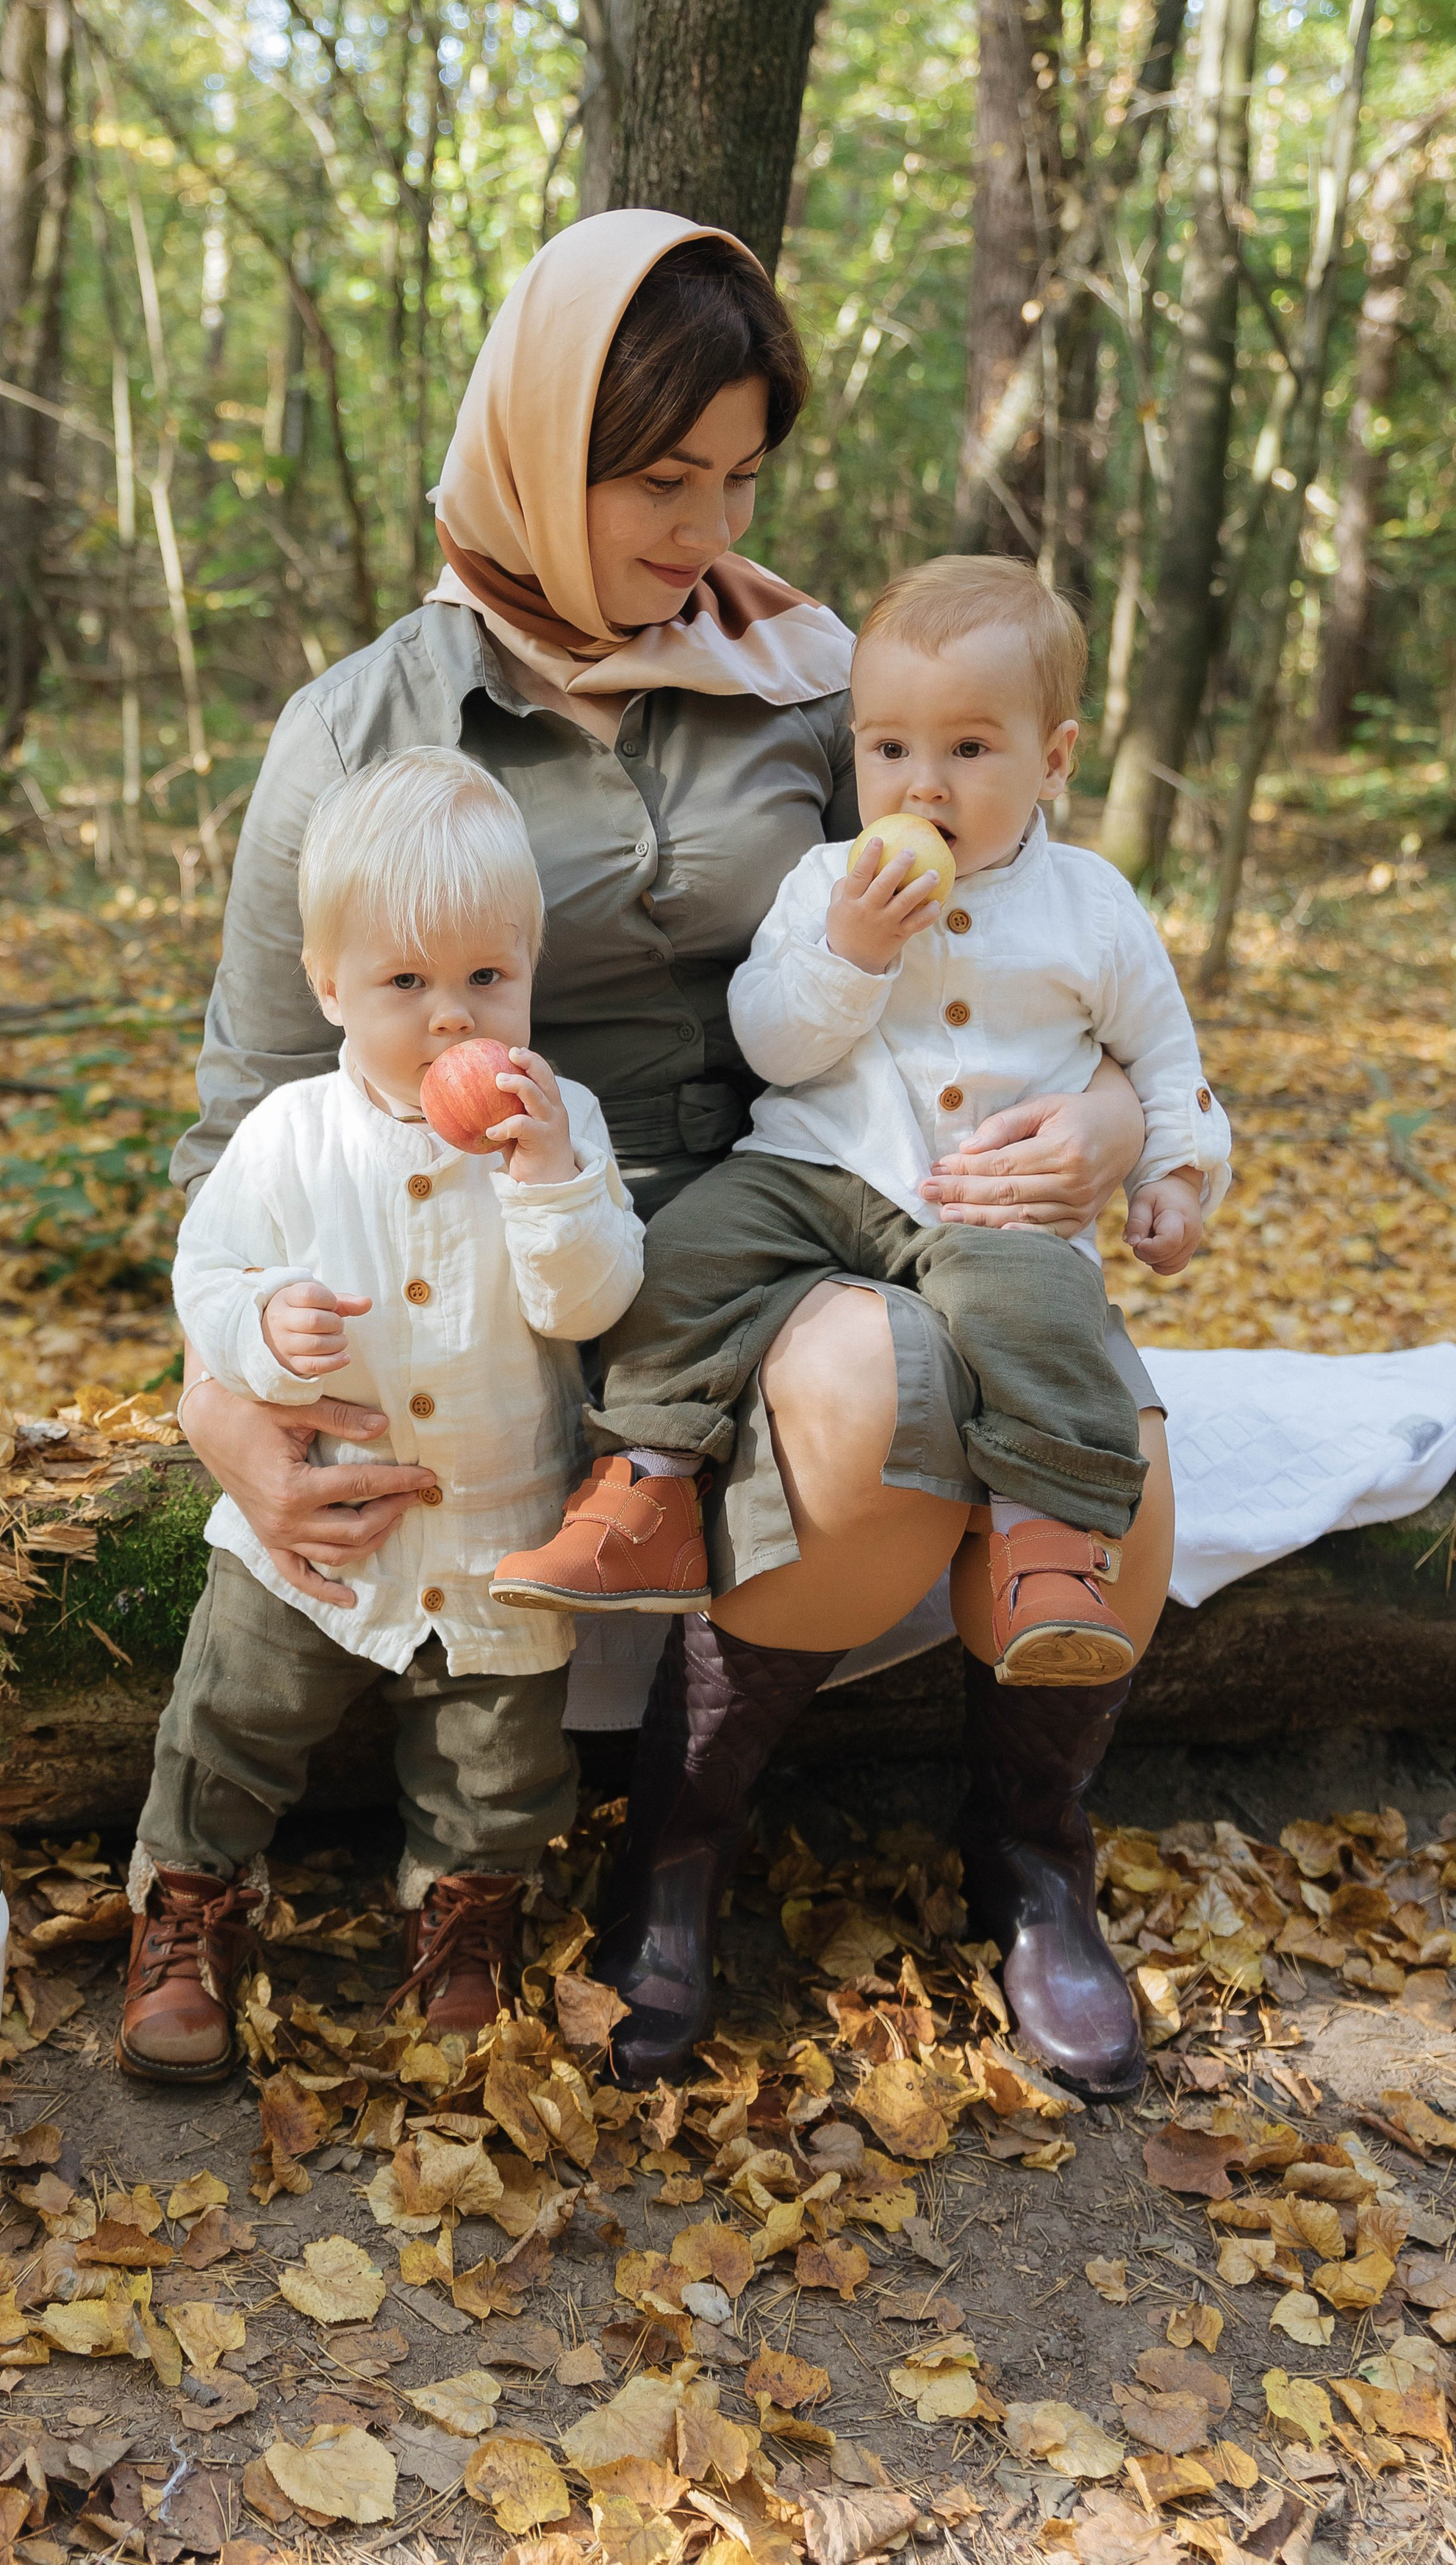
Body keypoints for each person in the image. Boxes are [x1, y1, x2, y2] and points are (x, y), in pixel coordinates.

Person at [122, 208, 1172, 2111]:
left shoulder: (812, 678)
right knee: (877, 1386)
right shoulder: (366, 724)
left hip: (834, 1177)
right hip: (526, 1263)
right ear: (536, 442)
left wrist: (1110, 1121)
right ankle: (673, 1861)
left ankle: (1035, 1864)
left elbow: (1031, 938)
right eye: (657, 477)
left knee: (1117, 1435)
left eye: (742, 475)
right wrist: (224, 1413)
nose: (705, 527)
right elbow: (249, 1113)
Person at [493, 556, 1231, 1694]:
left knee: (1042, 1311)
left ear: (1056, 759)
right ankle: (645, 1479)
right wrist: (853, 954)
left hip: (986, 1199)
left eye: (969, 751)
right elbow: (772, 1041)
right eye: (888, 750)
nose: (921, 788)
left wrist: (1171, 1173)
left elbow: (1164, 1054)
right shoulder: (827, 882)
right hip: (817, 1168)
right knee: (683, 1259)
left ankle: (1051, 1539)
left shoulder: (1092, 905)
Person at [123, 750, 642, 2079]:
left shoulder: (561, 1125)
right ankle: (191, 1905)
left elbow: (589, 1301)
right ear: (330, 987)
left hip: (494, 1533)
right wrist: (267, 1333)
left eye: (486, 978)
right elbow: (212, 1276)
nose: (452, 1020)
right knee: (232, 1713)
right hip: (310, 1543)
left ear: (531, 968)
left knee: (499, 1768)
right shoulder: (292, 1135)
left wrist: (546, 1181)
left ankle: (462, 1926)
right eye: (407, 984)